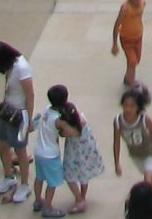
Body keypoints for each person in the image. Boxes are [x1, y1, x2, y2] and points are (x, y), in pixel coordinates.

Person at [0, 40, 35, 202]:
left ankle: (25, 185)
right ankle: (8, 176)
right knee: (4, 145)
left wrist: (29, 120)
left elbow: (30, 95)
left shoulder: (22, 68)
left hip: (19, 115)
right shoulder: (11, 66)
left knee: (20, 152)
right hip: (8, 112)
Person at [111, 86, 152, 208]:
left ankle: (148, 206)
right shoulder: (118, 121)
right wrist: (117, 163)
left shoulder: (144, 119)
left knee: (148, 182)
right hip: (136, 156)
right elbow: (116, 142)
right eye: (126, 106)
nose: (128, 109)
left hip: (150, 154)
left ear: (138, 107)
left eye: (132, 106)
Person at [48, 86, 104, 214]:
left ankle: (79, 200)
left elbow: (66, 133)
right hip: (87, 147)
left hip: (75, 150)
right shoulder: (73, 110)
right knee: (84, 173)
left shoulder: (64, 120)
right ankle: (82, 197)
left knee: (69, 175)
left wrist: (60, 131)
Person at [29, 84, 67, 219]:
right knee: (52, 182)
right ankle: (48, 207)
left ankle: (38, 200)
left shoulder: (46, 110)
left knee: (39, 178)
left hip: (39, 151)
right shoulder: (59, 119)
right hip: (51, 155)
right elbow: (64, 132)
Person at [110, 0, 146, 84]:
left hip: (138, 37)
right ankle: (131, 85)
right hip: (127, 39)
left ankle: (127, 77)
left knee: (136, 60)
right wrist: (115, 44)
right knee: (133, 61)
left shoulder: (143, 3)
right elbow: (117, 25)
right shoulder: (125, 8)